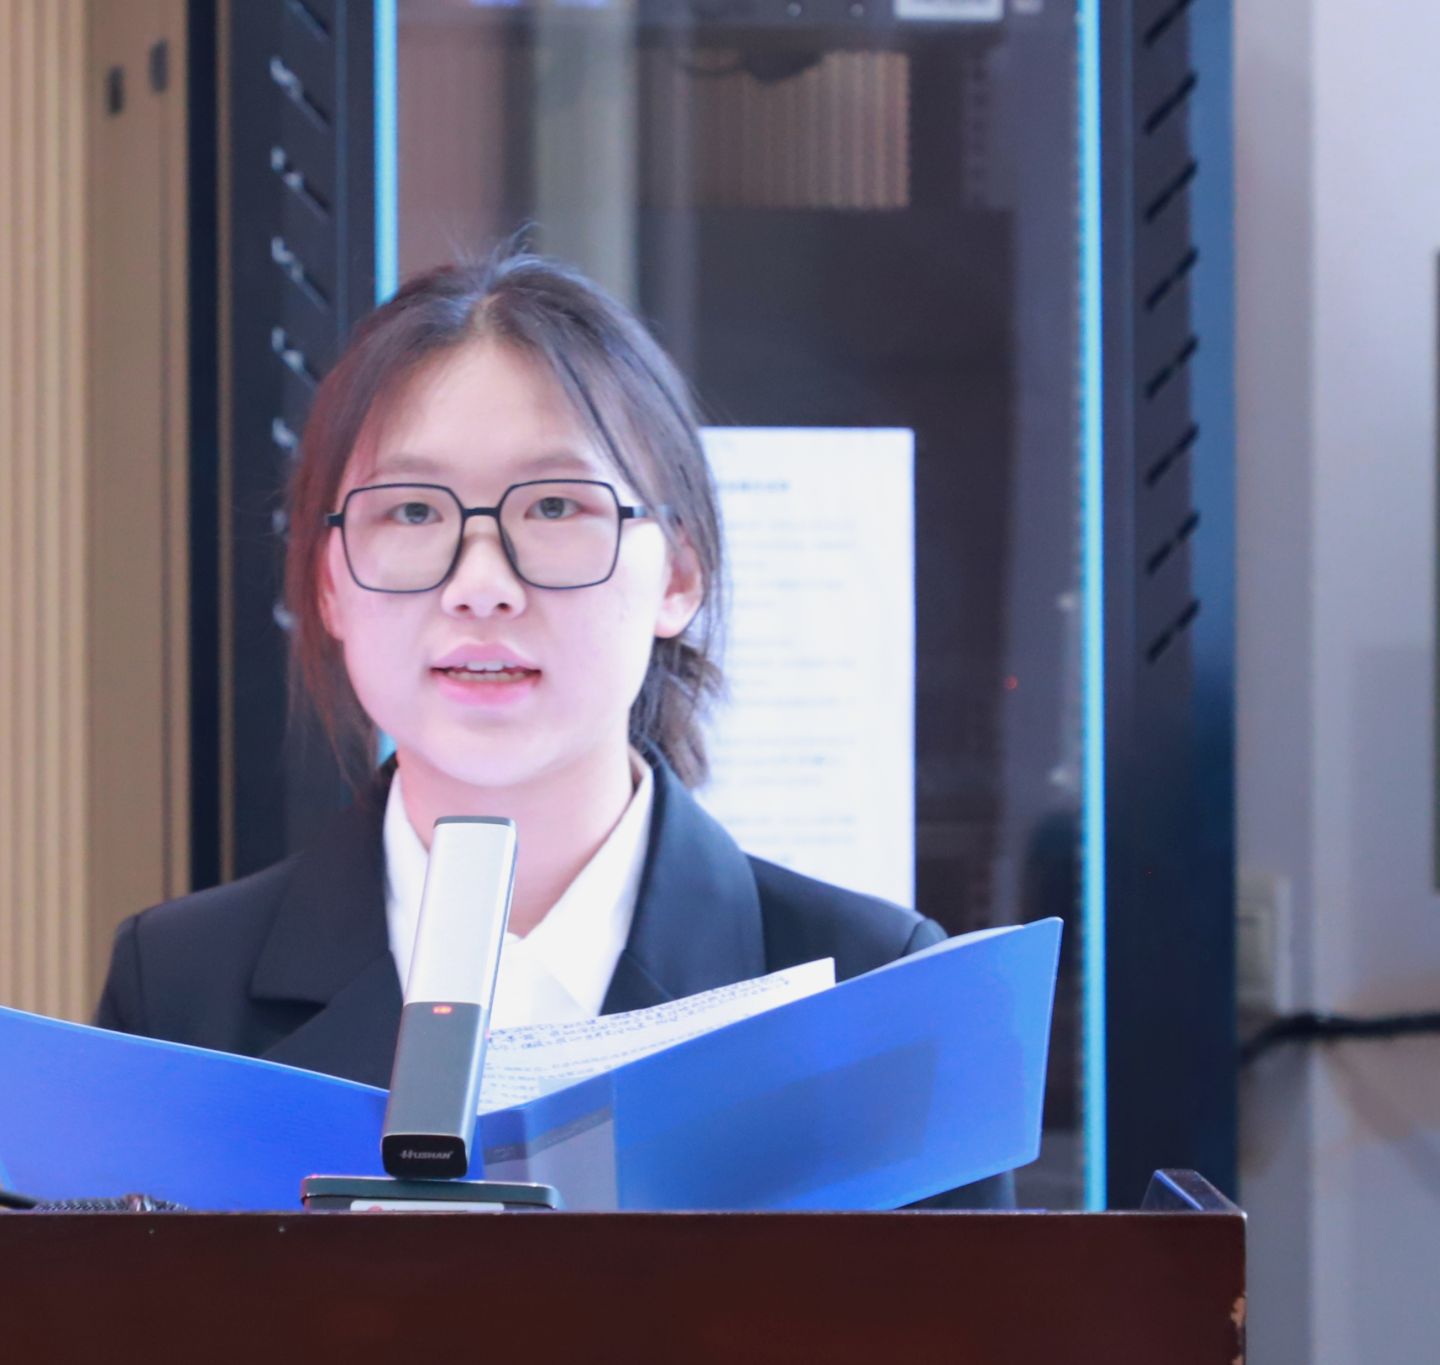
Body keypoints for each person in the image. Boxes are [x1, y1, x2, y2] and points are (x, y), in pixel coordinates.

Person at [95, 248, 1011, 1208]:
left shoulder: (878, 994)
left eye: (555, 505)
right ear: (330, 583)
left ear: (679, 574)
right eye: (412, 510)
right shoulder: (179, 992)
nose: (480, 584)